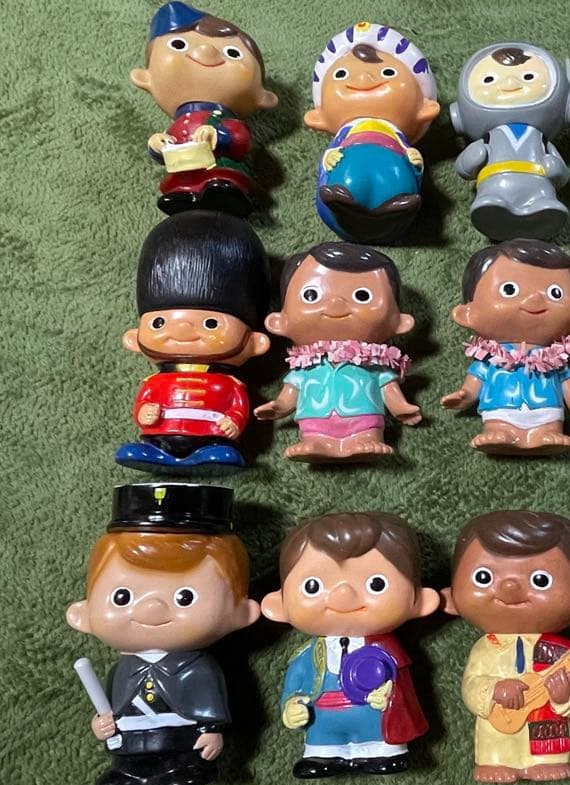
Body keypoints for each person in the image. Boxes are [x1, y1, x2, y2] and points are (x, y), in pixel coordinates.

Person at [66, 483, 260, 785]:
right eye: (122, 596)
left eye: (185, 597)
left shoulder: (197, 668)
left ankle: (185, 767)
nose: (152, 608)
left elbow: (209, 701)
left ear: (241, 611)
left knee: (184, 761)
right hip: (131, 738)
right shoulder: (122, 670)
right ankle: (129, 770)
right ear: (83, 613)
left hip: (180, 737)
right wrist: (101, 723)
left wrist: (211, 730)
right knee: (128, 760)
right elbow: (110, 707)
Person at [261, 512, 439, 779]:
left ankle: (380, 751)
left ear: (419, 600)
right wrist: (291, 706)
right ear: (279, 605)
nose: (343, 595)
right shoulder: (308, 656)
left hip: (373, 719)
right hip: (323, 721)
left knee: (379, 741)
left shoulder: (390, 655)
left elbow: (401, 687)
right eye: (312, 586)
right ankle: (323, 754)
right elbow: (294, 685)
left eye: (376, 584)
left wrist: (389, 697)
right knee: (321, 743)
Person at [443, 511, 570, 783]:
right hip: (497, 731)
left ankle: (547, 760)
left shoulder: (558, 650)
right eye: (484, 577)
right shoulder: (486, 647)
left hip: (547, 732)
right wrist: (495, 690)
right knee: (496, 739)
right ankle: (495, 761)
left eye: (540, 580)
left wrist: (564, 695)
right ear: (452, 599)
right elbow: (471, 685)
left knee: (548, 739)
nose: (509, 587)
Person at [115, 211, 270, 472]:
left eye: (211, 323)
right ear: (133, 338)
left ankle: (211, 452)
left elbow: (237, 406)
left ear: (255, 342)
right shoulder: (154, 383)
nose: (182, 329)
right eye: (159, 323)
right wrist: (145, 413)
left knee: (220, 453)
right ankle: (156, 451)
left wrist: (233, 422)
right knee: (141, 447)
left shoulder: (230, 384)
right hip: (161, 434)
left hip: (212, 436)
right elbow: (143, 402)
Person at [255, 243, 420, 462]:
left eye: (362, 296)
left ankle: (365, 438)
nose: (335, 303)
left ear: (399, 321)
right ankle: (315, 441)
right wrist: (280, 406)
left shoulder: (373, 364)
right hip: (315, 418)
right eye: (311, 295)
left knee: (366, 431)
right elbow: (291, 391)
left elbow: (387, 385)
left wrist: (401, 407)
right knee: (313, 433)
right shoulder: (305, 366)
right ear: (279, 321)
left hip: (363, 416)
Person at [441, 240, 570, 453]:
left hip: (547, 408)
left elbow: (566, 380)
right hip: (500, 407)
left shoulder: (555, 357)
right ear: (467, 314)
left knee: (549, 424)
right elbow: (477, 378)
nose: (535, 298)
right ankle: (501, 432)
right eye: (509, 290)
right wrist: (466, 395)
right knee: (499, 425)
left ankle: (545, 433)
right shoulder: (491, 358)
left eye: (555, 293)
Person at [131, 1, 278, 215]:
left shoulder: (223, 118)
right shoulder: (178, 124)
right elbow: (166, 148)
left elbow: (241, 137)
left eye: (233, 53)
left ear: (262, 96)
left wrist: (219, 134)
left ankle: (226, 194)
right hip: (184, 171)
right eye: (179, 45)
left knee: (223, 180)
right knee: (181, 182)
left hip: (221, 167)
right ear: (145, 78)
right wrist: (158, 144)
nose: (205, 50)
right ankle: (182, 195)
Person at [306, 22, 440, 243]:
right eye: (341, 74)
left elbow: (413, 162)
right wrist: (328, 159)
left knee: (399, 184)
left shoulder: (399, 137)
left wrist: (415, 163)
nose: (363, 79)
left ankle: (394, 210)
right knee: (348, 181)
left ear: (423, 107)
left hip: (394, 166)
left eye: (388, 72)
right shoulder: (344, 135)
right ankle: (343, 207)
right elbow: (329, 156)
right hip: (348, 164)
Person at [451, 42, 570, 240]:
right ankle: (491, 209)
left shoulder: (540, 140)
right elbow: (462, 168)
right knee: (491, 199)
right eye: (489, 79)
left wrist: (557, 169)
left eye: (529, 77)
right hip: (495, 183)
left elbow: (563, 175)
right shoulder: (489, 138)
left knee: (544, 200)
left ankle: (544, 211)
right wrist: (470, 159)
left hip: (539, 184)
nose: (510, 83)